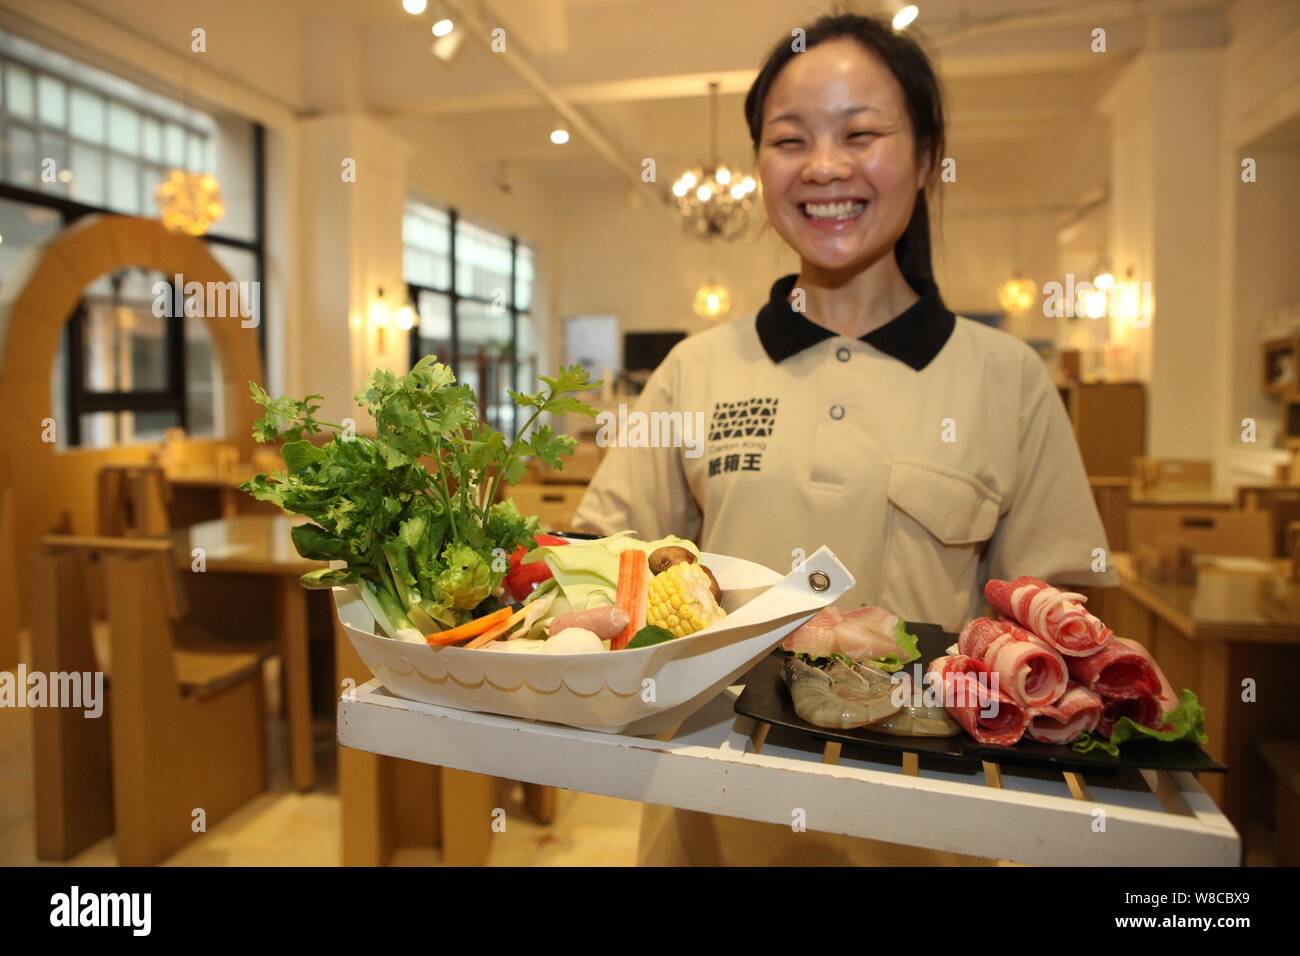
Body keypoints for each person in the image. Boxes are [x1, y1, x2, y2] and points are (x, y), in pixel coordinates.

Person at [571, 12, 1116, 866]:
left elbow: (1058, 626)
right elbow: (604, 565)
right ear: (759, 166)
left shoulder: (1005, 378)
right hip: (711, 821)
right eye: (790, 140)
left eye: (861, 133)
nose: (824, 166)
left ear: (929, 157)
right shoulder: (697, 368)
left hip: (927, 833)